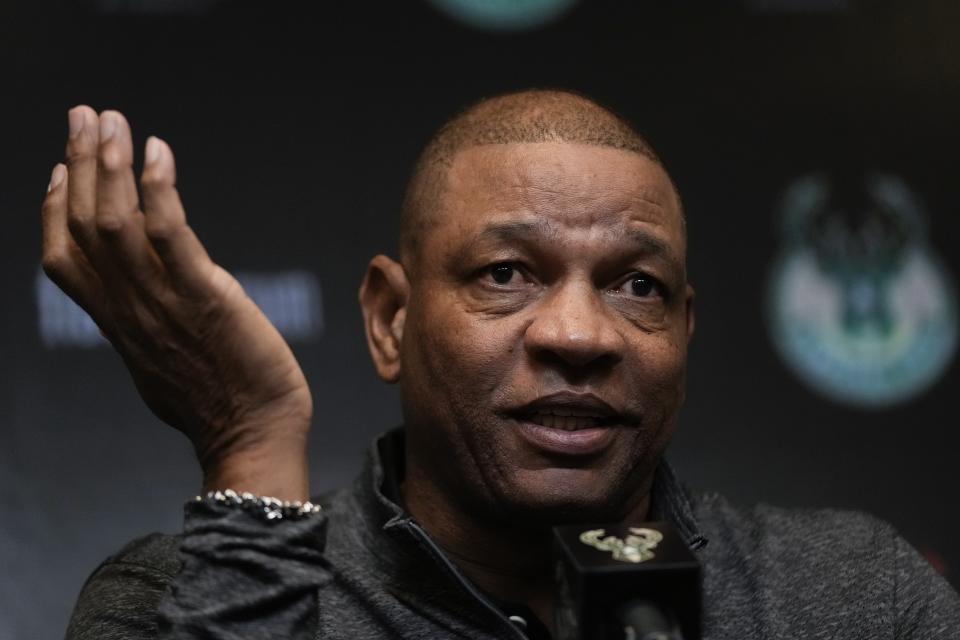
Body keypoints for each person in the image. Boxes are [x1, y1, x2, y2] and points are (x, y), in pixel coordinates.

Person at [45, 90, 958, 640]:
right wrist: (250, 449)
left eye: (636, 285)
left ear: (686, 332)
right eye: (506, 274)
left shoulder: (852, 596)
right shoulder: (173, 598)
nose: (580, 333)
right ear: (391, 319)